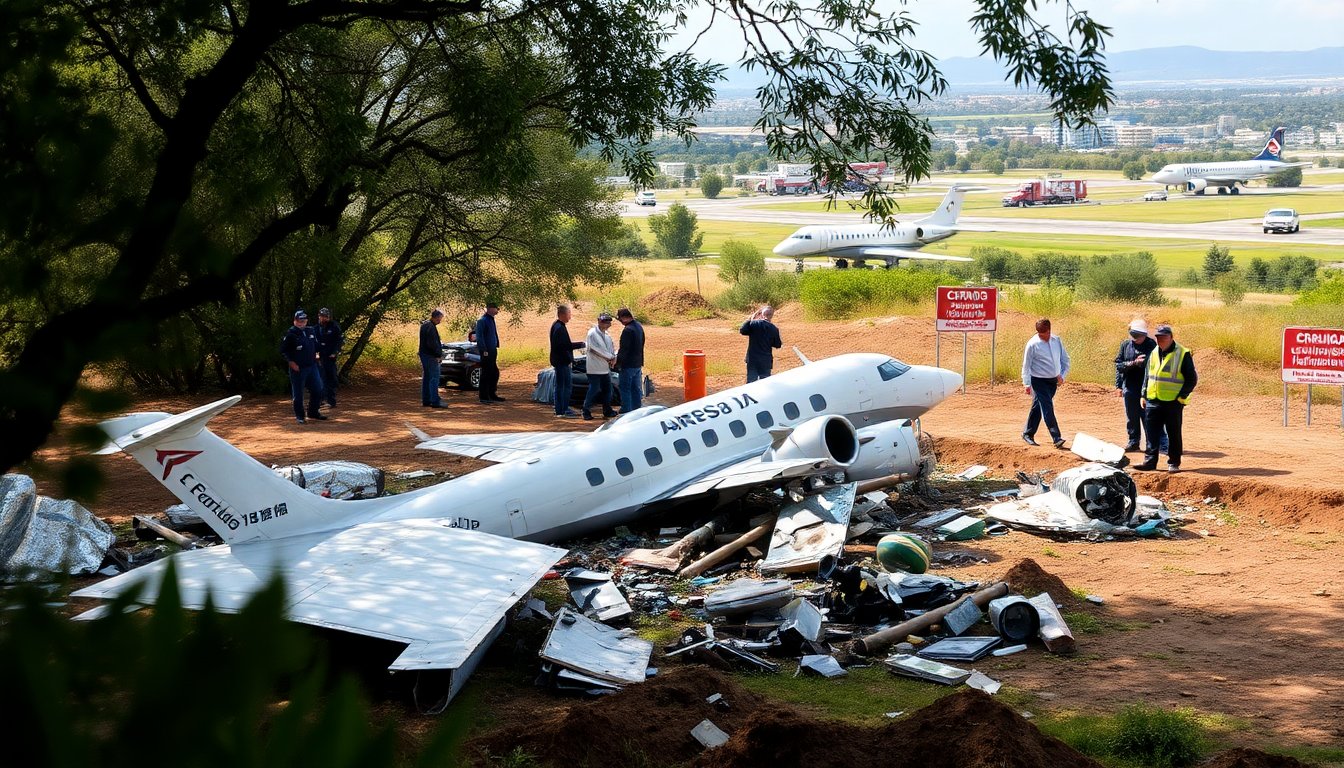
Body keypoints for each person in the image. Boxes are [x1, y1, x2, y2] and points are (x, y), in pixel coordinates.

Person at [1135, 324, 1197, 473]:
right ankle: (1150, 461)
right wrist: (1143, 394)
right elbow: (1148, 375)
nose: (1160, 340)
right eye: (1158, 337)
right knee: (1151, 433)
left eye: (1164, 337)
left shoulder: (1182, 353)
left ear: (1171, 337)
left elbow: (1192, 379)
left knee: (1173, 433)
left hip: (1172, 402)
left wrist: (1181, 397)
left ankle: (1173, 462)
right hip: (1153, 399)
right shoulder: (1154, 352)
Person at [1020, 317, 1070, 449]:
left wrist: (1062, 375)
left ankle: (1028, 433)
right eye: (1039, 334)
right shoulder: (1032, 344)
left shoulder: (1056, 340)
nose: (1041, 336)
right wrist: (1026, 384)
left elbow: (1065, 360)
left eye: (1044, 333)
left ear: (1049, 330)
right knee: (1047, 407)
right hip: (1038, 381)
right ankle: (1056, 437)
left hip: (1053, 381)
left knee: (1038, 407)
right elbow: (1026, 366)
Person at [1114, 319, 1156, 451]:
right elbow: (1119, 365)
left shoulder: (1151, 345)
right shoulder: (1126, 345)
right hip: (1129, 386)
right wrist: (1118, 385)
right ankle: (1133, 441)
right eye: (1134, 335)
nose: (1136, 339)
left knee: (1147, 416)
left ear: (1144, 334)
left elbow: (1151, 364)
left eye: (1138, 336)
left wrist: (1140, 363)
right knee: (1132, 416)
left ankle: (1151, 443)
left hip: (1146, 386)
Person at [279, 310, 326, 424]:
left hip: (312, 366)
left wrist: (321, 352)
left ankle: (313, 412)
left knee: (318, 389)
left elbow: (316, 345)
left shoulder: (310, 331)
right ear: (295, 321)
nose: (301, 323)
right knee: (298, 393)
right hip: (298, 368)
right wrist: (291, 362)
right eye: (299, 321)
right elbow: (283, 351)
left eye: (303, 321)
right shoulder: (290, 334)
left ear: (306, 321)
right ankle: (300, 416)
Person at [549, 304, 585, 417]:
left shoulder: (558, 326)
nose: (570, 316)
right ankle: (563, 409)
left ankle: (560, 409)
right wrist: (581, 344)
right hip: (562, 361)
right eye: (569, 314)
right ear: (563, 314)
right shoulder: (559, 328)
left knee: (561, 385)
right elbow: (564, 345)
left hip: (560, 360)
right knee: (564, 386)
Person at [582, 313, 618, 420]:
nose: (605, 324)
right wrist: (610, 357)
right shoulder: (592, 333)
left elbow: (611, 348)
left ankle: (607, 410)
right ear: (598, 321)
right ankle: (586, 410)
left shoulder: (607, 335)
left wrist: (613, 357)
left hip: (605, 368)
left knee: (608, 390)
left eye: (607, 322)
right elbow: (595, 349)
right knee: (594, 389)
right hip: (594, 368)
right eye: (603, 321)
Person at [740, 305, 782, 383]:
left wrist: (750, 319)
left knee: (751, 382)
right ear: (771, 315)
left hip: (752, 359)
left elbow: (742, 330)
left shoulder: (753, 324)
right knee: (765, 382)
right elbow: (778, 345)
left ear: (762, 314)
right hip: (766, 360)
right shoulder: (774, 329)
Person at [615, 307, 645, 412]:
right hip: (637, 363)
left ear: (624, 318)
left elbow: (624, 349)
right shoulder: (639, 326)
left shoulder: (628, 330)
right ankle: (637, 409)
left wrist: (618, 364)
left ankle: (626, 409)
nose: (621, 322)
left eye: (620, 319)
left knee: (625, 388)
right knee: (635, 388)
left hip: (628, 365)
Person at [474, 301, 504, 404]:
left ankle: (492, 393)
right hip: (486, 351)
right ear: (489, 309)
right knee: (486, 373)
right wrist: (484, 350)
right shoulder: (482, 321)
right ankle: (484, 396)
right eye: (495, 308)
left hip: (492, 350)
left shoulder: (491, 320)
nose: (497, 310)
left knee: (494, 372)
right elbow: (480, 337)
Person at [315, 308, 343, 409]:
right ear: (319, 316)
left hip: (330, 357)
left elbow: (339, 341)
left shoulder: (334, 327)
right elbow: (313, 343)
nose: (324, 318)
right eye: (322, 316)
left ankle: (331, 401)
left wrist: (335, 352)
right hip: (319, 358)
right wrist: (315, 353)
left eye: (326, 316)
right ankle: (319, 400)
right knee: (320, 379)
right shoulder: (315, 329)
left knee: (332, 379)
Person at [418, 309, 445, 408]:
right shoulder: (431, 327)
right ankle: (435, 401)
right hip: (431, 356)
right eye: (439, 318)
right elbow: (432, 343)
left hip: (424, 354)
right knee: (434, 378)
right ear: (436, 317)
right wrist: (438, 355)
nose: (440, 321)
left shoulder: (425, 325)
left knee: (427, 377)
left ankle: (426, 400)